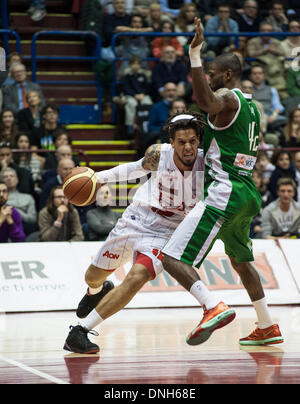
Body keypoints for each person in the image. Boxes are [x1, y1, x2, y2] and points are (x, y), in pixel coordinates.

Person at [160, 17, 284, 347]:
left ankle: (212, 306)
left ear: (227, 75)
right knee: (242, 263)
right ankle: (267, 325)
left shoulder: (228, 98)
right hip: (247, 192)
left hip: (225, 191)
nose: (209, 80)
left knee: (171, 256)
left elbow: (206, 102)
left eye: (213, 75)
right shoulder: (253, 106)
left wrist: (196, 56)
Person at [63, 111, 206, 353]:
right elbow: (134, 170)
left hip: (167, 232)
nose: (188, 147)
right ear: (172, 142)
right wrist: (98, 178)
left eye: (193, 141)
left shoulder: (208, 163)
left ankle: (80, 331)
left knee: (135, 278)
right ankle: (97, 290)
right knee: (92, 276)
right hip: (136, 218)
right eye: (182, 142)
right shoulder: (159, 154)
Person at [246, 22, 287, 98]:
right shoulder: (253, 41)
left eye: (268, 30)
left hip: (274, 69)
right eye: (264, 30)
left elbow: (283, 53)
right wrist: (265, 50)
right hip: (260, 66)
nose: (266, 32)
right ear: (260, 32)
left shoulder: (276, 42)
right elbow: (250, 54)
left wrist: (274, 51)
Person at [1, 167, 38, 236]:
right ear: (1, 181)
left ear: (17, 180)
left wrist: (15, 210)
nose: (9, 178)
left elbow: (32, 219)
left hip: (25, 228)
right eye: (5, 177)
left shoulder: (28, 198)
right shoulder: (1, 198)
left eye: (12, 176)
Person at [122, 56, 153, 137]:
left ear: (140, 65)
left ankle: (147, 124)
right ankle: (130, 126)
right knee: (131, 104)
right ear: (130, 65)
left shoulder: (143, 75)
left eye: (137, 64)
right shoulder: (127, 76)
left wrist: (142, 94)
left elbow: (147, 87)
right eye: (133, 64)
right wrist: (134, 95)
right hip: (131, 96)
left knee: (148, 102)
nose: (135, 66)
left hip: (143, 95)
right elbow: (126, 88)